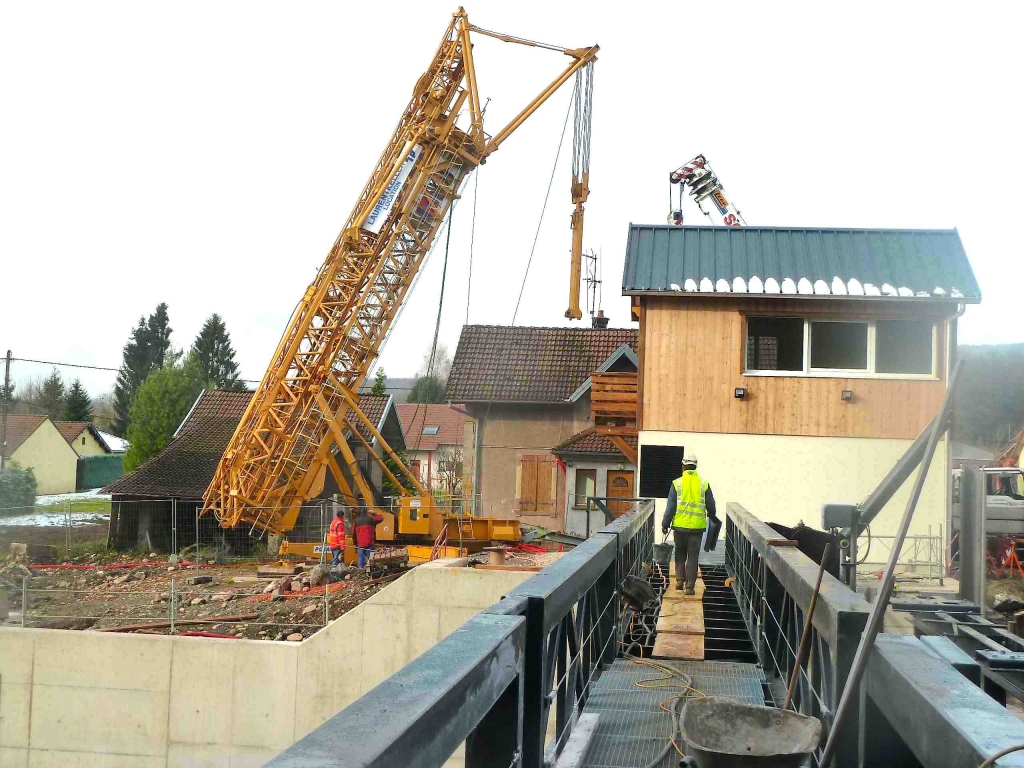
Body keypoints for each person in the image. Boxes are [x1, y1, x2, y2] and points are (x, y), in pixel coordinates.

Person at [661, 452, 718, 595]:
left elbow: (671, 506)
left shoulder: (677, 483)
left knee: (680, 553)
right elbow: (711, 506)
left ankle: (679, 580)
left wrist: (665, 523)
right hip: (697, 528)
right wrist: (711, 516)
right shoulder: (704, 484)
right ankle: (690, 587)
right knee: (693, 556)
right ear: (696, 467)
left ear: (683, 466)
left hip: (679, 527)